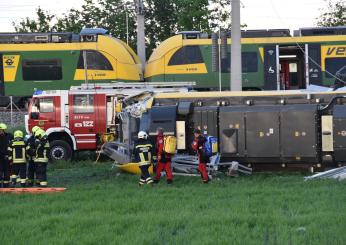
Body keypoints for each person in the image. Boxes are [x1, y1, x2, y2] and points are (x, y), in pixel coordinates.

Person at [0, 123, 13, 188]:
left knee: (7, 171)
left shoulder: (9, 136)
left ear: (4, 130)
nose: (0, 131)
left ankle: (6, 185)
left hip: (7, 157)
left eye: (1, 130)